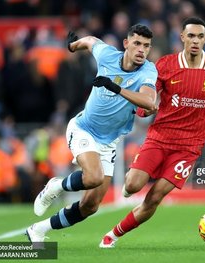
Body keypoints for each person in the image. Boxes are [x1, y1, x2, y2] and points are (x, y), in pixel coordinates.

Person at [99, 17, 205, 248]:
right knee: (133, 185)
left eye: (200, 36)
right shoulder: (165, 65)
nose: (195, 41)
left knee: (155, 197)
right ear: (182, 38)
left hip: (188, 147)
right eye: (191, 36)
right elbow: (149, 97)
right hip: (160, 137)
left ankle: (113, 235)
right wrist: (142, 111)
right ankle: (129, 186)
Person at [26, 24, 158, 242]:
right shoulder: (107, 55)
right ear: (126, 44)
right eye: (137, 43)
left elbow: (149, 101)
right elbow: (90, 41)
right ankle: (55, 186)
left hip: (109, 141)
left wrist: (116, 88)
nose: (141, 50)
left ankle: (38, 230)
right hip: (83, 130)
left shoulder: (148, 70)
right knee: (93, 177)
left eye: (146, 46)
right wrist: (72, 46)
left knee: (90, 205)